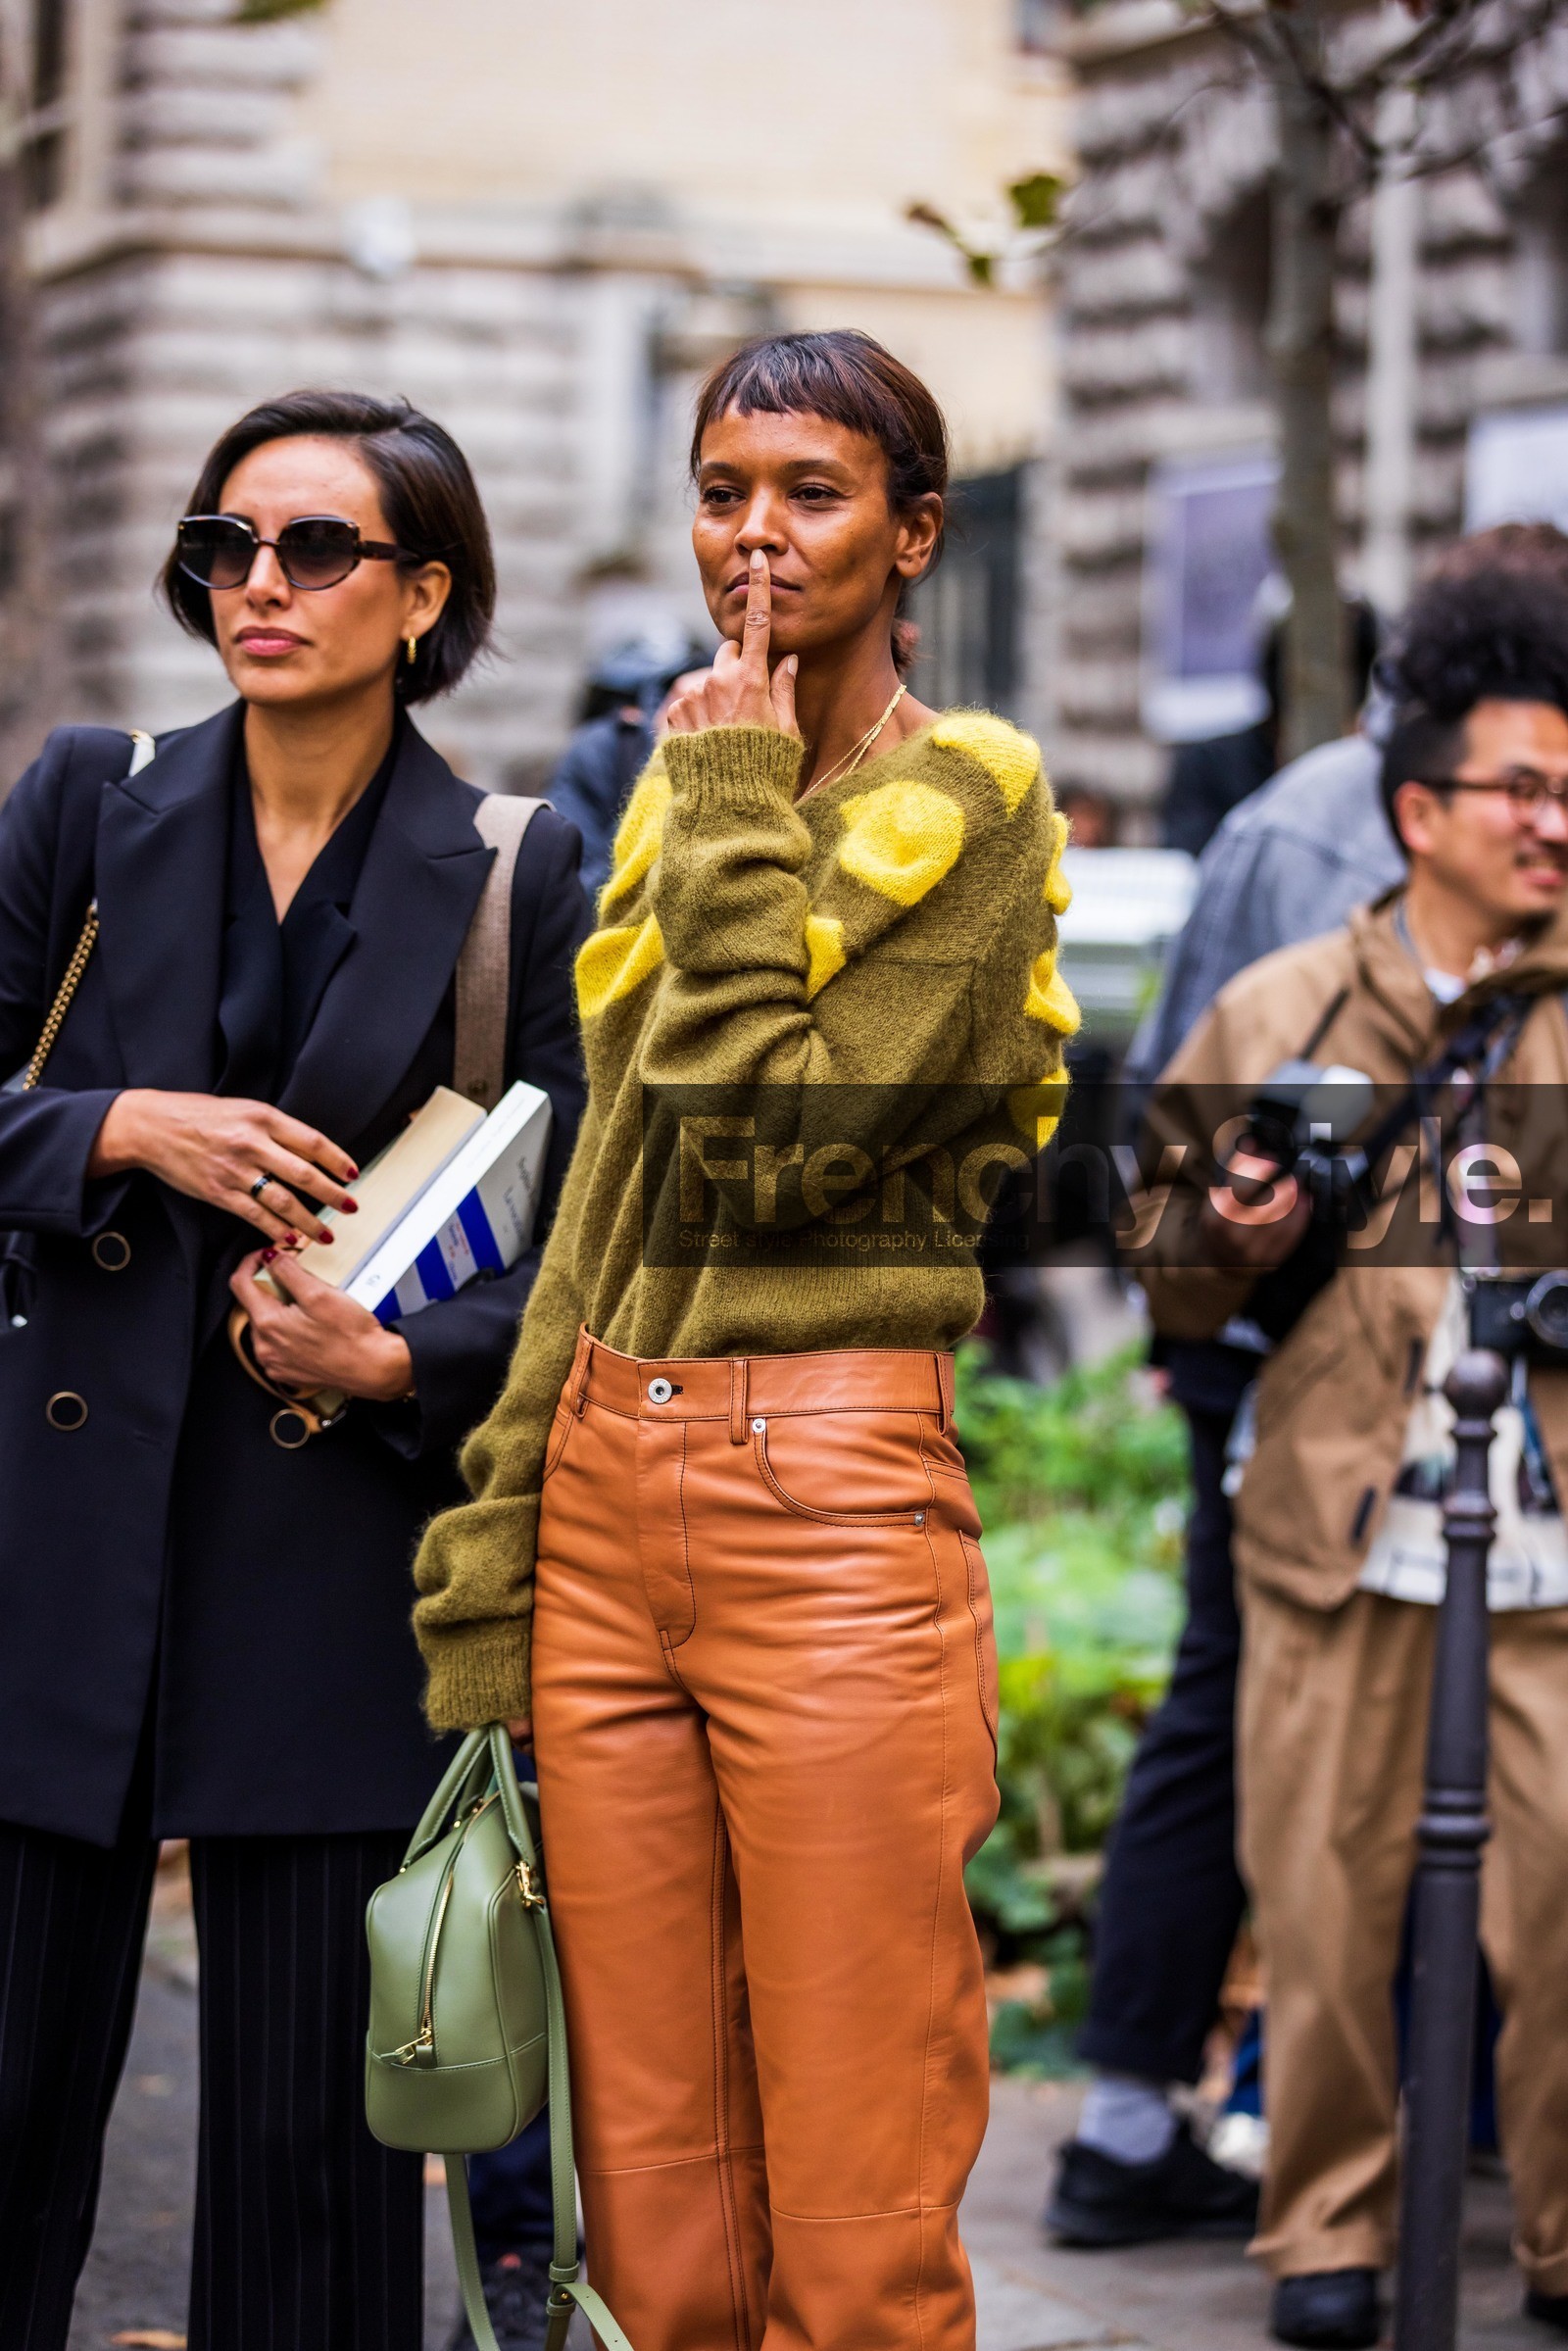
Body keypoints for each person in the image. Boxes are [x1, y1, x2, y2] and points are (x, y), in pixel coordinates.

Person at [411, 327, 1077, 2351]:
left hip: (829, 1502)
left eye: (811, 491)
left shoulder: (961, 804)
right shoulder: (685, 805)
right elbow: (617, 1194)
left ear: (912, 531)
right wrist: (510, 1514)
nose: (757, 536)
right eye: (723, 491)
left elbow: (761, 1141)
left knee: (857, 2202)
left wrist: (713, 791)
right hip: (614, 1478)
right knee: (654, 2197)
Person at [0, 388, 589, 2351]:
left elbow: (595, 1236)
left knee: (308, 2197)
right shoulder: (92, 801)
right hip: (57, 1566)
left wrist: (399, 1349)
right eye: (227, 545)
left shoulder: (515, 862)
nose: (258, 584)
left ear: (423, 593)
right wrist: (116, 1130)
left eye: (314, 548)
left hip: (333, 1574)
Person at [1048, 524, 1568, 2256]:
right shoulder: (1292, 928)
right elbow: (1170, 1209)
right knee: (1315, 1873)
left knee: (1544, 1895)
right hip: (1316, 1461)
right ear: (1428, 789)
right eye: (1519, 775)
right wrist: (1228, 1228)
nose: (1550, 813)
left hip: (1528, 1501)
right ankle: (1307, 2219)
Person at [545, 630, 710, 901]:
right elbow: (570, 899)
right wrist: (663, 770)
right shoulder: (597, 750)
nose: (631, 718)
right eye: (620, 703)